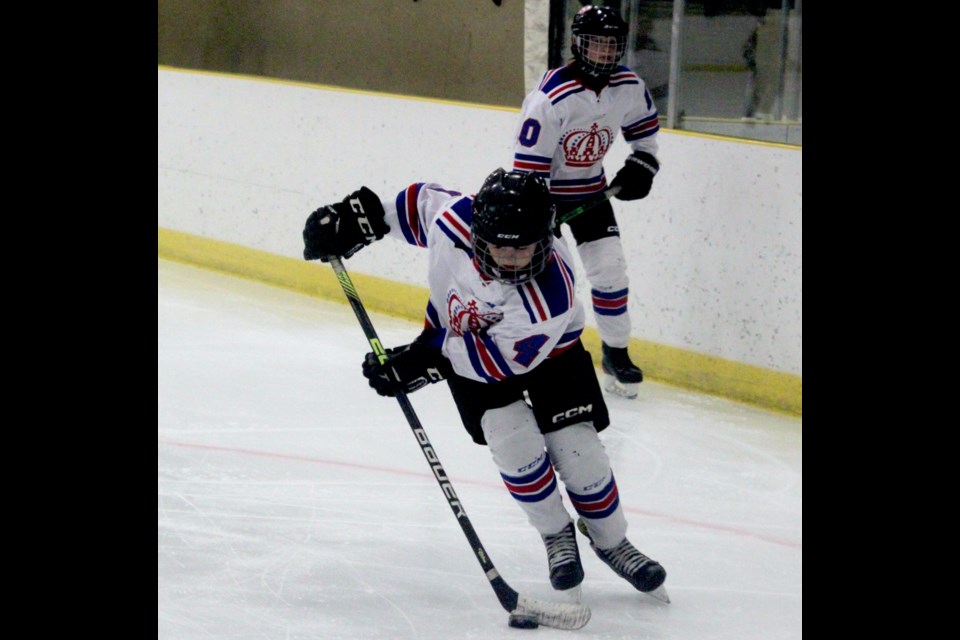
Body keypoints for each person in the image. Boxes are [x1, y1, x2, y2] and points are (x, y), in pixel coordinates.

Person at [301, 168, 668, 602]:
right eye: (500, 246)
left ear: (545, 238)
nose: (513, 259)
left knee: (578, 451)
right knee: (513, 443)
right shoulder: (455, 222)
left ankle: (612, 541)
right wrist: (357, 220)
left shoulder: (549, 294)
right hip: (459, 347)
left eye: (525, 247)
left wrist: (418, 362)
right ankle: (556, 535)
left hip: (549, 355)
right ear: (478, 232)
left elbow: (492, 366)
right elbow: (418, 203)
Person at [512, 4, 660, 399]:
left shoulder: (627, 86)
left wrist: (642, 165)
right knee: (548, 287)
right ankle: (531, 360)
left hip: (593, 195)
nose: (606, 54)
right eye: (597, 45)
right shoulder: (551, 97)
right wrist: (538, 216)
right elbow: (528, 169)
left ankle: (616, 353)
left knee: (611, 273)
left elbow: (644, 136)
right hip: (545, 200)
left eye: (613, 45)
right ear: (579, 44)